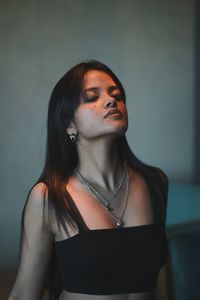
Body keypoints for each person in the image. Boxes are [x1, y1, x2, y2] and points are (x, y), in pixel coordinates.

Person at [8, 60, 170, 300]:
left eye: (116, 95)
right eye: (92, 97)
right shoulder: (48, 197)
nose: (111, 100)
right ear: (69, 124)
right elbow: (25, 294)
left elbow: (158, 277)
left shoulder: (155, 182)